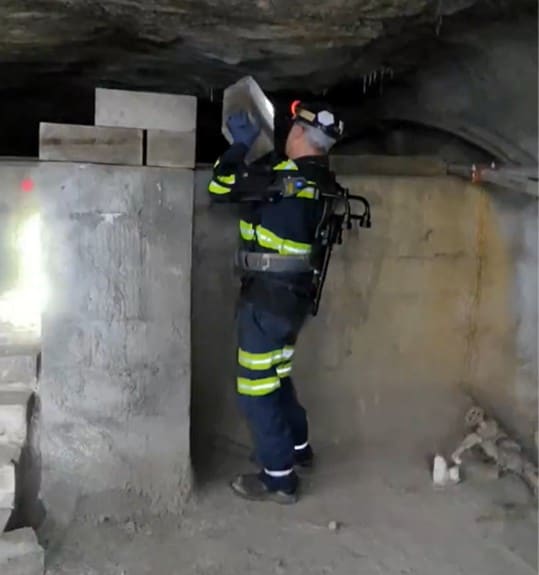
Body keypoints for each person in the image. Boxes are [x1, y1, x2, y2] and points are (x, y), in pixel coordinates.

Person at [208, 101, 344, 504]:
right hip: (295, 299)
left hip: (267, 300)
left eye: (290, 128)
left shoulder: (280, 179)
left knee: (255, 389)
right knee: (277, 377)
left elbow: (219, 185)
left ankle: (279, 478)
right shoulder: (320, 179)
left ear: (300, 134)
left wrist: (239, 147)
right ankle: (299, 451)